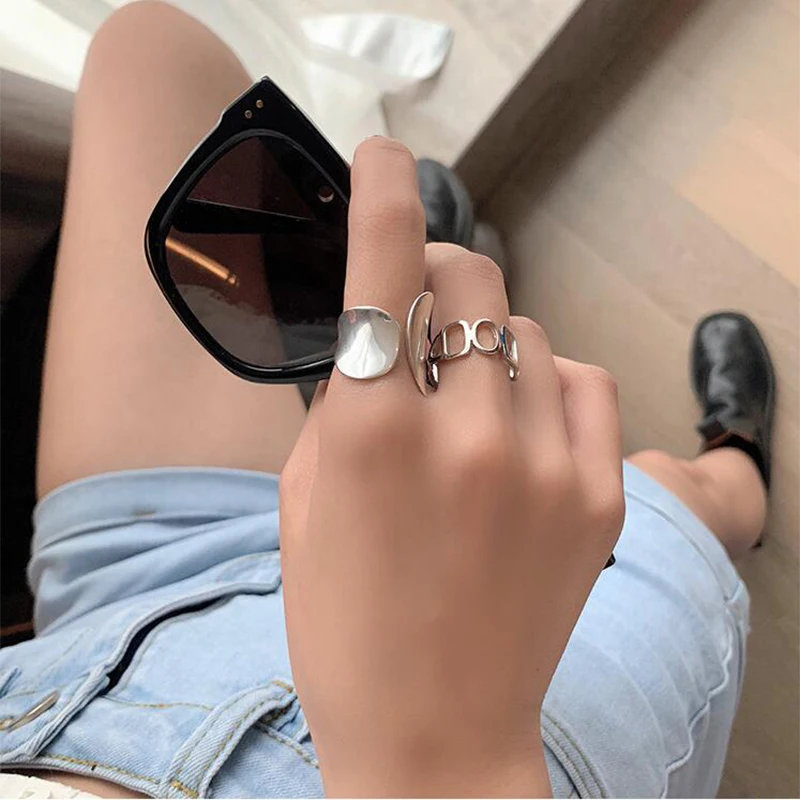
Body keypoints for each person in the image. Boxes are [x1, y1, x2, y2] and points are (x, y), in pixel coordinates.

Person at [0, 3, 775, 797]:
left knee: (151, 54)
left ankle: (414, 311)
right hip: (416, 742)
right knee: (663, 496)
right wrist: (437, 761)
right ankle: (739, 460)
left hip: (99, 656)